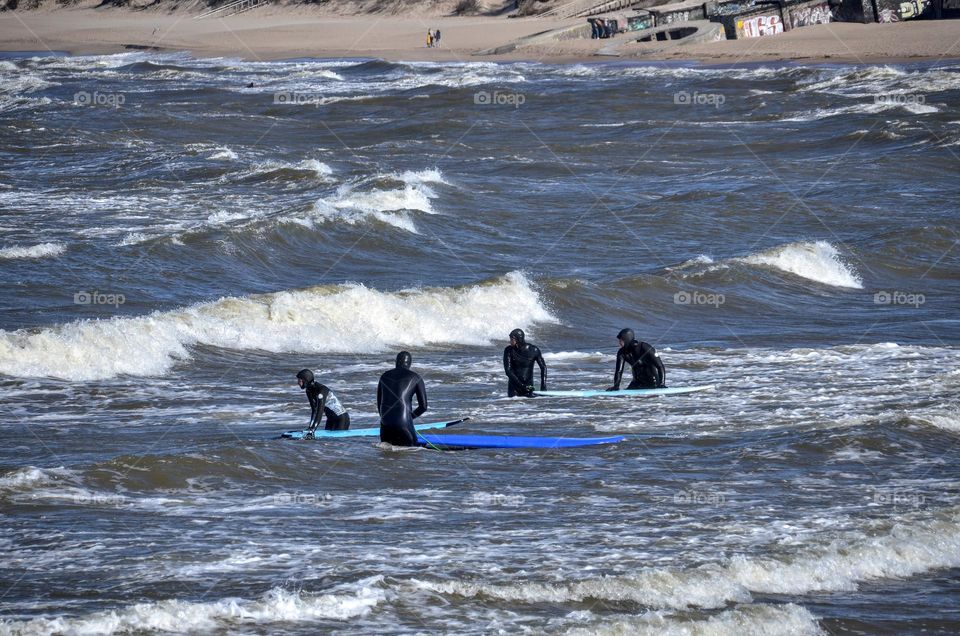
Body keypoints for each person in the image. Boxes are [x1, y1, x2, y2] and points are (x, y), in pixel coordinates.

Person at [377, 351, 428, 446]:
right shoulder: (416, 377)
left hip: (385, 425)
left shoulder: (384, 376)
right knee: (412, 452)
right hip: (403, 424)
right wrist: (410, 418)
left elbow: (379, 404)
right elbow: (423, 407)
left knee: (386, 454)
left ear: (396, 362)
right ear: (409, 363)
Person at [296, 369, 350, 436]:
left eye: (299, 380)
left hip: (341, 419)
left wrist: (313, 429)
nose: (298, 383)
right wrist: (310, 427)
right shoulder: (308, 391)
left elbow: (319, 412)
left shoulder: (321, 390)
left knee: (337, 443)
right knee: (326, 443)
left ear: (305, 380)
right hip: (330, 419)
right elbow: (314, 410)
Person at [503, 328, 547, 397]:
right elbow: (508, 371)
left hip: (529, 387)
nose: (510, 341)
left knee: (530, 406)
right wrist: (522, 386)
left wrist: (543, 386)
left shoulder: (533, 350)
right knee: (512, 405)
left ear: (518, 339)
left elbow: (543, 367)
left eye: (512, 339)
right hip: (514, 388)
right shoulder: (508, 350)